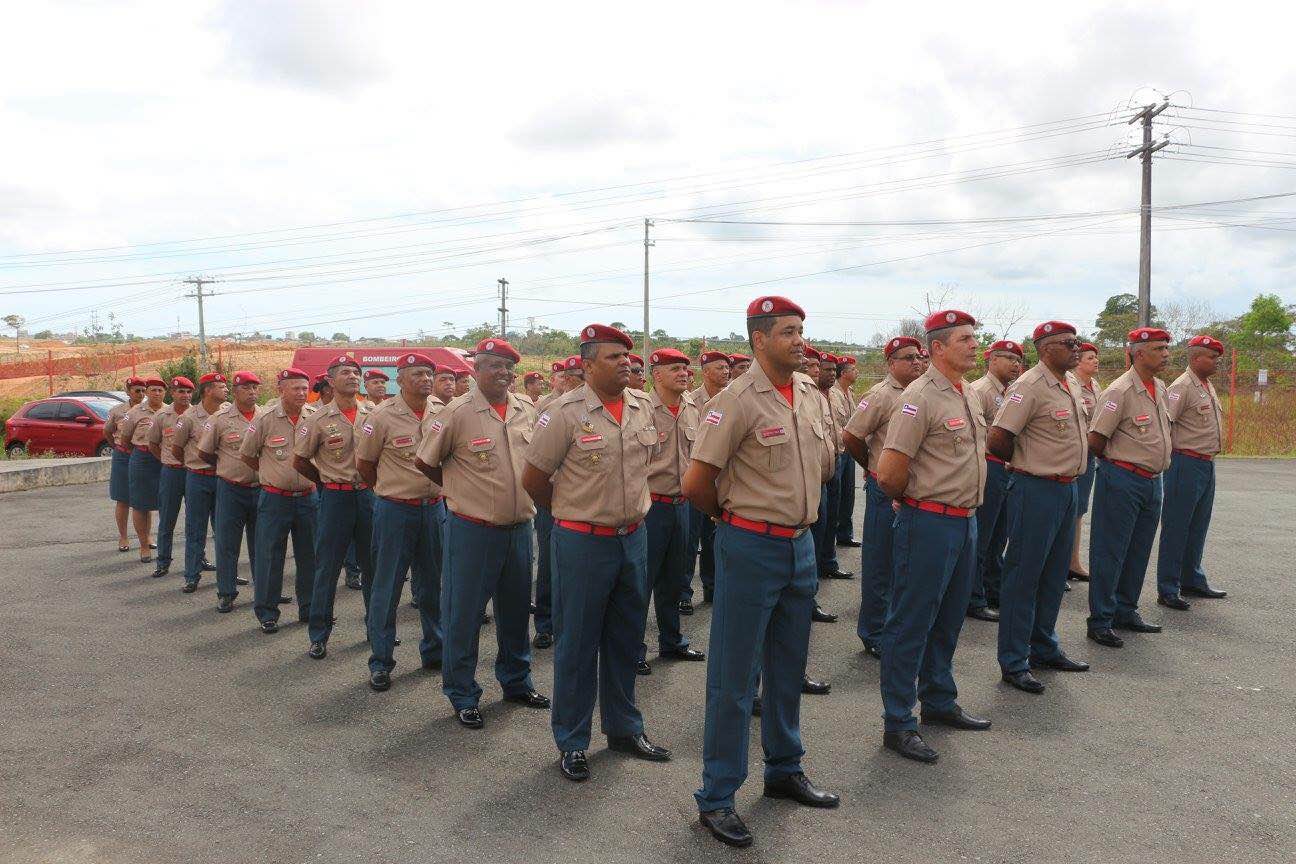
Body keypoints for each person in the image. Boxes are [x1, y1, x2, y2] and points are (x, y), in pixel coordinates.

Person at [685, 296, 838, 849]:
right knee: (732, 676)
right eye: (788, 332)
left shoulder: (808, 395)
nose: (800, 340)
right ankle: (718, 795)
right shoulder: (735, 402)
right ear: (759, 339)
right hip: (750, 544)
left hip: (800, 545)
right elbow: (697, 483)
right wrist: (733, 524)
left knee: (788, 665)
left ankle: (783, 769)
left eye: (802, 330)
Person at [522, 323, 670, 783]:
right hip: (583, 541)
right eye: (613, 357)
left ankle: (624, 728)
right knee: (578, 644)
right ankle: (572, 739)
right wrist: (572, 514)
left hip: (633, 537)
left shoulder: (642, 407)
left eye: (627, 356)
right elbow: (534, 480)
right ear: (587, 365)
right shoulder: (563, 413)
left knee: (626, 638)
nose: (625, 362)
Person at [875, 310, 992, 765]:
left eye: (973, 338)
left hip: (964, 521)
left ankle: (939, 700)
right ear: (938, 347)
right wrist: (915, 503)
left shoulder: (967, 394)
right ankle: (899, 721)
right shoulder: (918, 397)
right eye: (964, 339)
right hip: (928, 522)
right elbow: (889, 472)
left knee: (948, 619)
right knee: (910, 623)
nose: (972, 345)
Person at [414, 337, 550, 728]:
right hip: (472, 529)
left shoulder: (525, 408)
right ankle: (462, 692)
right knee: (464, 614)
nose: (503, 374)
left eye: (509, 367)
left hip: (520, 528)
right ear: (477, 369)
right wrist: (460, 488)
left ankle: (516, 681)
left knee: (513, 612)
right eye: (494, 366)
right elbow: (426, 462)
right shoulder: (456, 413)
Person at [987, 322, 1092, 695]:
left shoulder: (1070, 382)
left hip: (1066, 489)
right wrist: (1027, 463)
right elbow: (998, 438)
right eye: (1068, 343)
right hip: (1036, 488)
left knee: (1051, 577)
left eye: (1077, 342)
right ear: (1046, 349)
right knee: (1023, 576)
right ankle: (1014, 660)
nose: (1076, 348)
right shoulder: (1029, 386)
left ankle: (1043, 646)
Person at [355, 352, 445, 691]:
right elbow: (365, 464)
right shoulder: (381, 416)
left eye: (429, 374)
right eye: (418, 373)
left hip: (434, 508)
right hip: (395, 510)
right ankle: (381, 661)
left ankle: (434, 650)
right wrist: (386, 492)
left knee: (432, 584)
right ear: (401, 379)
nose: (425, 379)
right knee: (387, 586)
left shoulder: (443, 411)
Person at [1086, 327, 1174, 648]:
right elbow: (1096, 440)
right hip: (1122, 479)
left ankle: (1126, 609)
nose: (1166, 353)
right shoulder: (1119, 391)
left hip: (1153, 481)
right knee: (1110, 550)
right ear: (1138, 353)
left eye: (1167, 348)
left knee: (1138, 550)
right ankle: (1101, 619)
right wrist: (1117, 469)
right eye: (1159, 348)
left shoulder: (1160, 387)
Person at [842, 336, 924, 659]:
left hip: (912, 491)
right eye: (907, 358)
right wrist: (873, 467)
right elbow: (852, 435)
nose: (916, 363)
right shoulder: (880, 395)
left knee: (904, 563)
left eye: (919, 357)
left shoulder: (921, 393)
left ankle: (894, 626)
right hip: (883, 489)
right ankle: (873, 631)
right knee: (880, 562)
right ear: (891, 364)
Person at [295, 355, 373, 659]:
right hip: (335, 498)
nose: (352, 376)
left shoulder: (374, 414)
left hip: (367, 496)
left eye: (356, 372)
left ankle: (376, 628)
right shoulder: (317, 418)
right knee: (326, 567)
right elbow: (300, 459)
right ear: (330, 379)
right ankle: (319, 634)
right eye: (345, 372)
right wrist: (326, 483)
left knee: (373, 566)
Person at [636, 348, 706, 676]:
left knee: (675, 579)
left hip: (682, 506)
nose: (684, 373)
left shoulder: (692, 407)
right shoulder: (641, 409)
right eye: (675, 368)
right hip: (650, 506)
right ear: (657, 374)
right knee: (641, 582)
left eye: (686, 368)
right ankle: (633, 648)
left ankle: (671, 639)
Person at [239, 368, 317, 633]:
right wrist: (273, 475)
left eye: (305, 388)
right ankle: (267, 612)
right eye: (295, 388)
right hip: (275, 499)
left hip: (308, 498)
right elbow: (248, 454)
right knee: (270, 556)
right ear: (281, 390)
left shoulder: (314, 418)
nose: (301, 393)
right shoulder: (265, 420)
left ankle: (308, 608)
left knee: (310, 556)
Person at [1155, 334, 1228, 610]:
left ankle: (1191, 579)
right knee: (1177, 526)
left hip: (1205, 463)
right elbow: (1164, 423)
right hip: (1184, 463)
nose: (1216, 362)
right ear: (1196, 358)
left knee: (1198, 525)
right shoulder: (1182, 387)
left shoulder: (1206, 385)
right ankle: (1168, 587)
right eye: (1211, 357)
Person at [965, 339, 1024, 621]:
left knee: (999, 535)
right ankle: (973, 597)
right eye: (1009, 359)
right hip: (987, 466)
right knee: (983, 535)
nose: (1015, 365)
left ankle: (992, 589)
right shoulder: (980, 390)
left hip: (1005, 469)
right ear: (993, 360)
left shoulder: (1010, 391)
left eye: (1017, 360)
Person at [198, 371, 262, 613]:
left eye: (255, 388)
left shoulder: (266, 415)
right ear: (235, 391)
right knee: (227, 544)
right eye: (246, 388)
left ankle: (264, 591)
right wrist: (226, 467)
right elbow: (204, 452)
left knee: (262, 544)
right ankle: (226, 592)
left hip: (261, 489)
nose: (252, 392)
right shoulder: (220, 419)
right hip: (231, 489)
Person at [529, 356, 582, 647]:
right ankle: (546, 622)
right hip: (553, 498)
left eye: (574, 376)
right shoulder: (549, 410)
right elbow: (536, 465)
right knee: (550, 563)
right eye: (565, 376)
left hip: (581, 502)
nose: (568, 381)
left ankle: (570, 620)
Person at [682, 350, 732, 609]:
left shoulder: (732, 399)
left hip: (721, 480)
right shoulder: (691, 401)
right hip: (697, 479)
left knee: (714, 538)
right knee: (690, 541)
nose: (726, 371)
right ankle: (685, 593)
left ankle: (712, 588)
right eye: (720, 367)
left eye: (727, 368)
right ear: (706, 371)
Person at [170, 372, 225, 592]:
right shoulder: (189, 417)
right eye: (221, 386)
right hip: (198, 478)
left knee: (224, 529)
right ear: (208, 390)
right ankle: (192, 575)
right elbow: (176, 449)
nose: (226, 389)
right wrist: (193, 465)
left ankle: (227, 575)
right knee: (195, 529)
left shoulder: (228, 412)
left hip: (223, 479)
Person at [146, 375, 194, 578]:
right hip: (171, 472)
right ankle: (163, 561)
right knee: (167, 518)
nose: (185, 395)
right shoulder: (162, 416)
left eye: (188, 391)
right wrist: (167, 460)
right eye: (180, 391)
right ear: (172, 393)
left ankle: (197, 559)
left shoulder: (197, 414)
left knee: (195, 520)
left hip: (193, 473)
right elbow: (153, 444)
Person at [812, 351, 853, 582]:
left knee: (831, 517)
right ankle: (815, 570)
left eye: (830, 370)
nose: (828, 374)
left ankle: (828, 562)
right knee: (818, 522)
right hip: (817, 468)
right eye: (823, 369)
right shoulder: (811, 397)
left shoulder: (834, 396)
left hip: (836, 460)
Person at [119, 376, 167, 564]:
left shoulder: (170, 411)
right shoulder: (135, 412)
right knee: (140, 503)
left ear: (165, 393)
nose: (157, 393)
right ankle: (144, 546)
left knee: (165, 503)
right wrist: (141, 453)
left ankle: (164, 546)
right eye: (153, 390)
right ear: (146, 392)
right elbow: (125, 439)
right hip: (142, 458)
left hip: (164, 459)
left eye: (160, 390)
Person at [1069, 343, 1102, 581]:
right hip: (1073, 455)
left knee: (1079, 510)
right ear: (1078, 361)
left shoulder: (1095, 386)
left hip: (1090, 456)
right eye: (1090, 357)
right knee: (1068, 511)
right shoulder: (1072, 385)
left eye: (1096, 357)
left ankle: (1072, 562)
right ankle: (1062, 564)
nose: (1095, 361)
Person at [105, 377, 145, 552]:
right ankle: (123, 537)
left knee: (145, 499)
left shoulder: (150, 410)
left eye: (144, 390)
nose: (141, 394)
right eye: (137, 390)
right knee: (123, 498)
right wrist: (116, 446)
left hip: (143, 456)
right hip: (123, 456)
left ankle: (146, 537)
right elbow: (107, 431)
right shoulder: (117, 411)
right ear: (128, 392)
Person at [834, 354, 861, 547]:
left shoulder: (849, 392)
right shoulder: (833, 394)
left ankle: (845, 533)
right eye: (852, 369)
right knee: (837, 494)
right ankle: (835, 534)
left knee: (849, 495)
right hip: (840, 450)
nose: (856, 372)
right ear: (843, 374)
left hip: (849, 450)